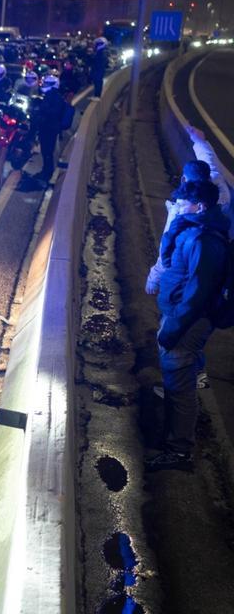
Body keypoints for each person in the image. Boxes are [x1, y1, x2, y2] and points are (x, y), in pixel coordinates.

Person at [147, 180, 229, 471]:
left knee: (181, 385)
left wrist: (172, 329)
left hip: (188, 323)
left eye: (184, 204)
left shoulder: (204, 241)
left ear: (201, 206)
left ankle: (180, 450)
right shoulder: (195, 231)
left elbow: (197, 292)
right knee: (176, 380)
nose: (179, 208)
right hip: (180, 317)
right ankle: (174, 436)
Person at [33, 75, 69, 185]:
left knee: (48, 151)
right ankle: (46, 170)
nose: (45, 85)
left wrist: (41, 109)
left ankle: (48, 173)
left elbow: (54, 112)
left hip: (50, 128)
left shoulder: (56, 97)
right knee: (45, 151)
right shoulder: (49, 95)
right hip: (46, 127)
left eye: (47, 84)